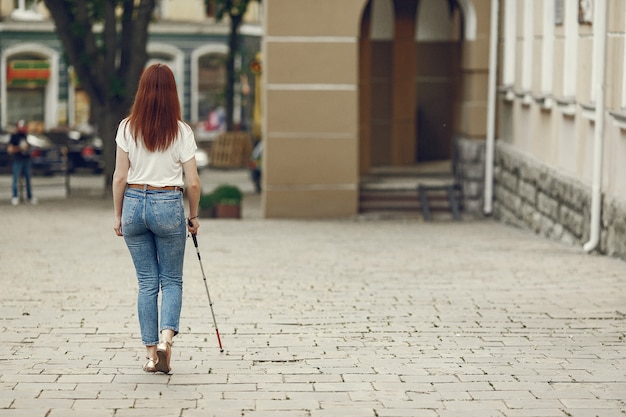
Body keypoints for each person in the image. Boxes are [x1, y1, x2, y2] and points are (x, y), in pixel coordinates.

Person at [112, 64, 201, 374]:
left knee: (147, 283)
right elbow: (192, 183)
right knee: (172, 280)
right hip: (167, 205)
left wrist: (118, 214)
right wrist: (193, 215)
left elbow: (120, 177)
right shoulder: (181, 131)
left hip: (134, 204)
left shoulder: (127, 127)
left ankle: (151, 355)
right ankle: (166, 341)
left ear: (142, 90)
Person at [7, 120, 37, 205]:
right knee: (16, 178)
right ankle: (15, 196)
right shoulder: (14, 137)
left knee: (28, 179)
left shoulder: (27, 136)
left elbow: (32, 146)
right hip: (18, 159)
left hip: (27, 159)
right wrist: (20, 148)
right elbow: (10, 149)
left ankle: (29, 196)